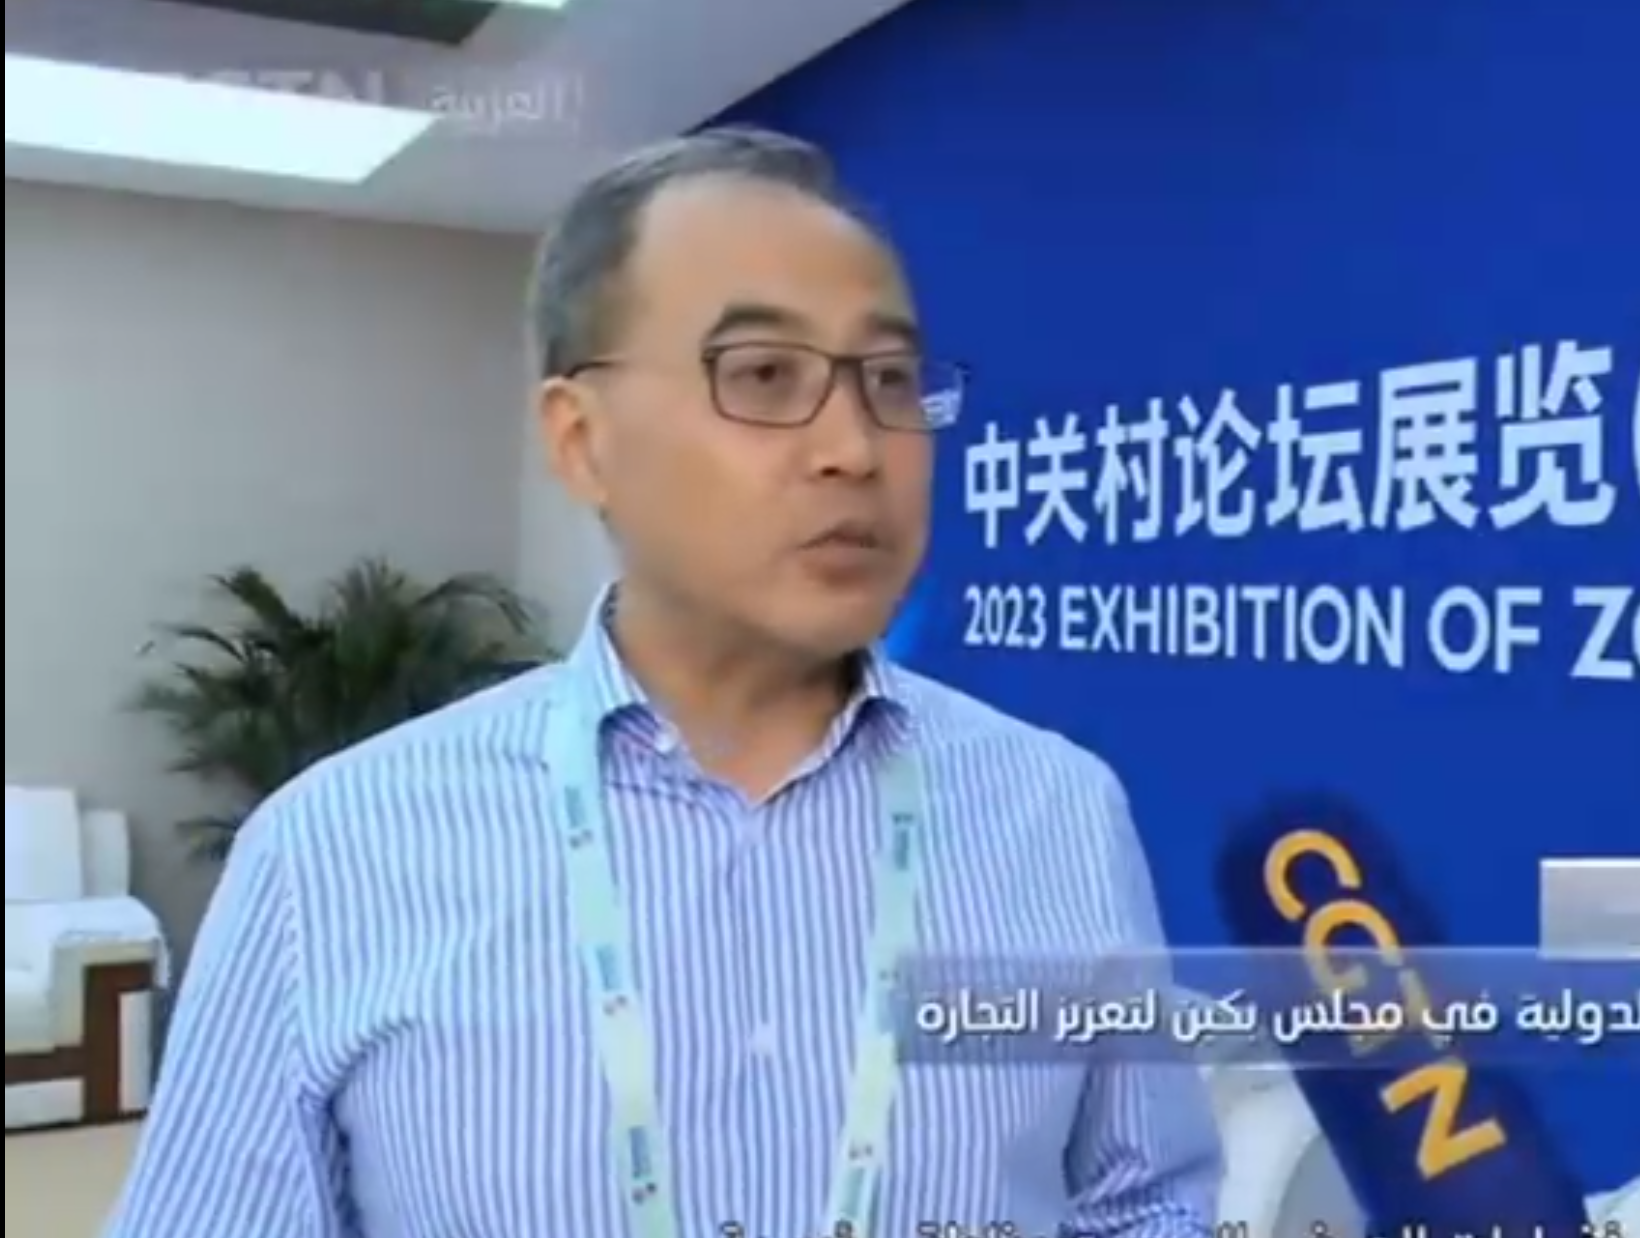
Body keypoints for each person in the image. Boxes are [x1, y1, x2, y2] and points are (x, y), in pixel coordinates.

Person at [107, 127, 1222, 1237]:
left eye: (889, 380)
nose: (854, 446)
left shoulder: (1060, 812)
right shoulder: (329, 853)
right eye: (764, 375)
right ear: (581, 439)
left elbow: (1145, 1203)